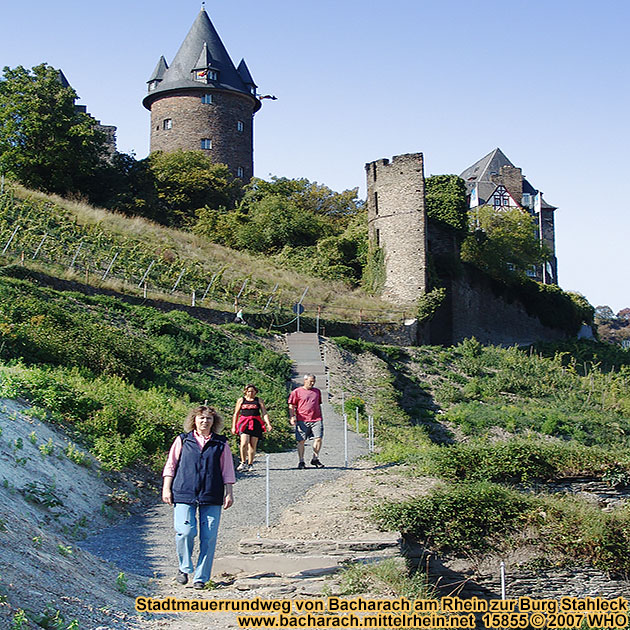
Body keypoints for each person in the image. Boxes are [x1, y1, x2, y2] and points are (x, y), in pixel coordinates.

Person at [162, 405, 235, 589]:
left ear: (214, 422)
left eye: (209, 418)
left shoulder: (221, 443)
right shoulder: (183, 440)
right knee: (185, 531)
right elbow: (171, 465)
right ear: (194, 420)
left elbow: (227, 470)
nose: (205, 421)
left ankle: (201, 578)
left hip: (212, 493)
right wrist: (166, 489)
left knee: (209, 537)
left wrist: (229, 493)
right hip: (184, 492)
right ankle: (184, 567)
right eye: (201, 418)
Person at [231, 384, 272, 472]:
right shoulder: (241, 400)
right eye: (249, 391)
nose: (251, 393)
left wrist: (268, 424)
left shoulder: (258, 400)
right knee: (244, 443)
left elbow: (264, 413)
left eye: (253, 391)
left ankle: (250, 463)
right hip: (244, 423)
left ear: (255, 392)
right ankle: (243, 462)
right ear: (246, 391)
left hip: (255, 423)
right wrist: (233, 426)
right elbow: (236, 413)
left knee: (252, 445)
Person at [288, 373, 324, 469]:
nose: (312, 383)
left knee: (318, 438)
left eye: (313, 382)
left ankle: (315, 458)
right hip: (302, 419)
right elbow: (291, 405)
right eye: (310, 381)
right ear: (305, 380)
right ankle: (301, 461)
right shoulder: (297, 392)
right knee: (301, 440)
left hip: (316, 418)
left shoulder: (317, 391)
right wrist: (292, 417)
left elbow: (318, 404)